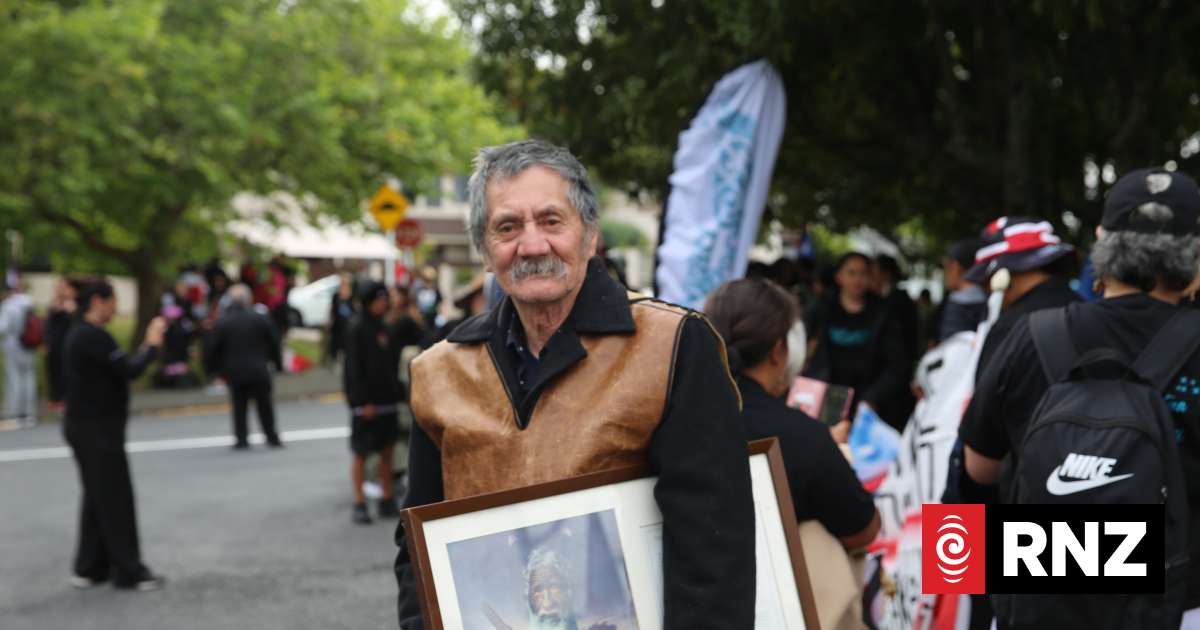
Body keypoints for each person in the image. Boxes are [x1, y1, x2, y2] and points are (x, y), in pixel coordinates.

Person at [395, 140, 755, 630]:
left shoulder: (670, 344)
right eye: (507, 227)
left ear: (589, 237)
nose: (532, 245)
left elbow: (715, 550)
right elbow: (418, 546)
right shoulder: (439, 373)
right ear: (484, 250)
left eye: (551, 221)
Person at [960, 168, 1200, 627]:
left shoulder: (1029, 336)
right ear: (1194, 254)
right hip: (1177, 599)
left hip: (1036, 587)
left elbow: (978, 469)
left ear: (1100, 241)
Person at [706, 278, 880, 548]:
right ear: (778, 351)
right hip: (774, 587)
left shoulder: (665, 416)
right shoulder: (805, 438)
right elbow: (863, 529)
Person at [63, 278, 168, 591]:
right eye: (112, 301)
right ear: (98, 301)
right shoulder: (92, 336)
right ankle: (129, 570)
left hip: (85, 425)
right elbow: (129, 369)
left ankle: (90, 566)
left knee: (98, 495)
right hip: (96, 428)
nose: (116, 308)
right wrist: (151, 344)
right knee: (115, 496)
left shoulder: (80, 334)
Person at [804, 252, 912, 431]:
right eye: (851, 273)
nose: (857, 279)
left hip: (867, 407)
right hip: (821, 401)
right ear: (838, 276)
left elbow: (897, 364)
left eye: (863, 273)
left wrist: (873, 398)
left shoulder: (883, 314)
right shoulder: (820, 310)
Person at [961, 216, 1080, 376]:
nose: (987, 287)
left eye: (986, 279)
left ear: (1001, 275)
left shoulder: (1010, 329)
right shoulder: (1093, 313)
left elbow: (987, 398)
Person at [344, 281, 403, 524]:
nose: (385, 303)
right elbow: (352, 369)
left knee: (388, 450)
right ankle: (359, 501)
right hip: (367, 404)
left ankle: (386, 498)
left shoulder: (385, 328)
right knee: (362, 452)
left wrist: (400, 395)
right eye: (379, 299)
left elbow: (391, 367)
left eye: (385, 298)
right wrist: (361, 401)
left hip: (387, 401)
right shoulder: (357, 329)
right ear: (368, 301)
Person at [205, 284, 283, 449]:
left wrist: (213, 371)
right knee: (264, 405)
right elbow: (274, 342)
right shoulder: (259, 318)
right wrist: (277, 364)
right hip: (258, 368)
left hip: (235, 370)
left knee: (239, 405)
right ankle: (271, 436)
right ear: (248, 300)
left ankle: (241, 439)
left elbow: (212, 348)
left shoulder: (224, 323)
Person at [936, 237, 988, 342]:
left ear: (955, 267)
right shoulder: (993, 300)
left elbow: (952, 349)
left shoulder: (958, 304)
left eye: (945, 268)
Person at [0, 279, 37, 425]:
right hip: (29, 346)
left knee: (13, 379)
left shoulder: (8, 305)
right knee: (29, 378)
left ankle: (14, 412)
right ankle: (28, 412)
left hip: (12, 347)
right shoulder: (28, 304)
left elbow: (3, 327)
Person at [46, 276, 77, 414]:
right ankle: (55, 396)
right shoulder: (54, 304)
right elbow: (48, 324)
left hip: (66, 343)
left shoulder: (71, 304)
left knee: (65, 371)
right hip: (54, 343)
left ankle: (65, 397)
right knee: (53, 371)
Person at [326, 272, 356, 367]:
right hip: (338, 323)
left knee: (348, 344)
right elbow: (332, 309)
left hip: (349, 324)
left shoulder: (353, 295)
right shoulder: (336, 295)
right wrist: (329, 321)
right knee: (335, 343)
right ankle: (335, 361)